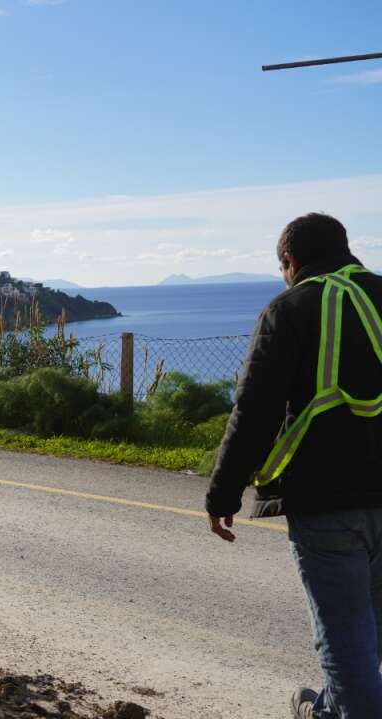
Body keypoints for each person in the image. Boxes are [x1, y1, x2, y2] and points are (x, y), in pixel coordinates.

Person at [205, 213, 382, 719]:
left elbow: (255, 411)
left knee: (347, 643)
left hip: (325, 503)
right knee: (368, 635)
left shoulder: (290, 308)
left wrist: (222, 495)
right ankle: (324, 710)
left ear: (289, 261)